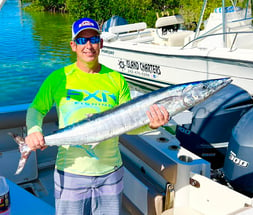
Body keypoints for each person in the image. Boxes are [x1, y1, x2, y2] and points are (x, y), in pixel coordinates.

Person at [25, 17, 169, 215]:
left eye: (93, 39)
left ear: (101, 44)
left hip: (110, 173)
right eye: (82, 40)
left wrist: (151, 125)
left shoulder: (116, 79)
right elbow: (36, 109)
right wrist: (34, 130)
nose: (89, 45)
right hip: (71, 172)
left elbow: (128, 124)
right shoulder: (58, 78)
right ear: (73, 45)